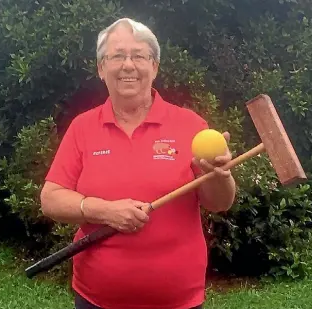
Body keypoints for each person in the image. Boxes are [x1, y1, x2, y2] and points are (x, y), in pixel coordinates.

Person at [40, 17, 236, 309]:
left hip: (178, 301)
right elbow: (50, 199)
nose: (128, 65)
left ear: (154, 67)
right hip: (96, 300)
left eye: (139, 56)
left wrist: (220, 176)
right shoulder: (83, 128)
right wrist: (105, 211)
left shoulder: (190, 125)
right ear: (101, 68)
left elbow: (219, 203)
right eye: (117, 56)